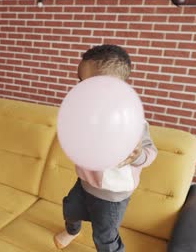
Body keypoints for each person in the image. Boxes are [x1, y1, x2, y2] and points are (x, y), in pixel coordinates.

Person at [53, 44, 158, 252]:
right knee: (70, 209)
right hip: (84, 182)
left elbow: (151, 152)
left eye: (88, 84)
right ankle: (72, 231)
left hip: (112, 195)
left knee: (105, 236)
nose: (80, 89)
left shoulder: (132, 120)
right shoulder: (86, 112)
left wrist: (137, 156)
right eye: (80, 82)